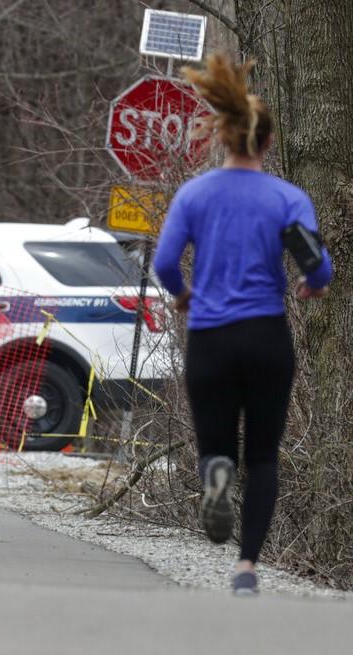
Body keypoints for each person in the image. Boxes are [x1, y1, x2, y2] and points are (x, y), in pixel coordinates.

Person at [153, 54, 332, 595]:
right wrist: (312, 284)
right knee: (262, 455)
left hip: (209, 338)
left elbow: (163, 263)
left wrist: (184, 296)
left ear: (223, 139)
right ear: (268, 143)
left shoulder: (195, 195)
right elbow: (317, 265)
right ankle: (247, 570)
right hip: (265, 338)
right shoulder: (286, 198)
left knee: (219, 447)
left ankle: (214, 476)